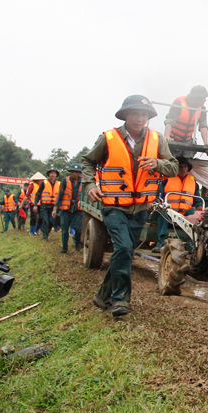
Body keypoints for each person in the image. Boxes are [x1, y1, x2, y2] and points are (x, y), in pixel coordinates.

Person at [82, 94, 178, 317]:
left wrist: (158, 162)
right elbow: (88, 161)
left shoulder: (157, 140)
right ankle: (120, 300)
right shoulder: (108, 138)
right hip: (113, 206)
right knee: (124, 248)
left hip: (141, 208)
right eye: (135, 113)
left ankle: (101, 296)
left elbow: (173, 167)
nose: (140, 118)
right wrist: (89, 184)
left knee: (124, 252)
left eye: (144, 114)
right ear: (125, 115)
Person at [152, 156, 203, 253]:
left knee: (193, 215)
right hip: (170, 212)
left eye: (185, 167)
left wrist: (199, 207)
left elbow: (197, 198)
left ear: (188, 169)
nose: (183, 169)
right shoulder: (166, 179)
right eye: (180, 167)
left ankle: (191, 244)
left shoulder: (193, 182)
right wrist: (157, 201)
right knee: (162, 212)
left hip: (186, 215)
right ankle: (161, 242)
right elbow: (158, 194)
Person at [52, 163, 84, 254]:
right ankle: (64, 248)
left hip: (77, 209)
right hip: (66, 209)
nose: (75, 174)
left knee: (79, 228)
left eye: (77, 172)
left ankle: (77, 242)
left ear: (79, 173)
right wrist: (55, 209)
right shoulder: (64, 181)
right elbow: (60, 195)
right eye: (73, 172)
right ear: (70, 172)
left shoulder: (83, 181)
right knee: (65, 229)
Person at [34, 168, 61, 241]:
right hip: (44, 205)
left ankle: (46, 233)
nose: (52, 174)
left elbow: (61, 195)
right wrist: (35, 204)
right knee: (45, 221)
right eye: (51, 173)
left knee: (52, 221)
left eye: (54, 173)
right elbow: (38, 194)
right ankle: (44, 237)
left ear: (56, 175)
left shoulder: (59, 184)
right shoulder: (44, 183)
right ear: (48, 174)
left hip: (54, 206)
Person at [20, 172, 46, 237]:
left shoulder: (43, 185)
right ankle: (32, 231)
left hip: (41, 204)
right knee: (33, 218)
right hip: (33, 204)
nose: (41, 181)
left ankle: (37, 229)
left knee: (41, 217)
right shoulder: (32, 186)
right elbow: (27, 196)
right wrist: (21, 204)